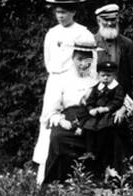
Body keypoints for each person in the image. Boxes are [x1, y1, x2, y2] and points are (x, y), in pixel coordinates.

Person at [32, 0, 89, 181]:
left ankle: (72, 175)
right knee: (49, 121)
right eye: (58, 12)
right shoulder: (51, 33)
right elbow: (49, 61)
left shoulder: (83, 33)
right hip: (56, 82)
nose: (61, 16)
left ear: (73, 12)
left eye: (64, 12)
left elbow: (90, 65)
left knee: (70, 127)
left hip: (76, 85)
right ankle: (45, 175)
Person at [39, 33, 101, 184]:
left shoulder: (98, 79)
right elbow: (52, 111)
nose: (83, 64)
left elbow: (119, 99)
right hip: (67, 119)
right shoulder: (62, 79)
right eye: (79, 59)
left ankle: (92, 183)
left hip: (91, 121)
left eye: (87, 60)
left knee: (102, 138)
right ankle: (57, 185)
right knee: (58, 138)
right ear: (73, 58)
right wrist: (61, 121)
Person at [80, 58, 128, 177]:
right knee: (89, 125)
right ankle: (90, 150)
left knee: (104, 127)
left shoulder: (117, 88)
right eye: (103, 75)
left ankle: (101, 152)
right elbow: (90, 100)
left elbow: (118, 101)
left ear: (114, 76)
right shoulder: (97, 87)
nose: (106, 78)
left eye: (109, 75)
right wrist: (91, 109)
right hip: (96, 113)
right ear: (98, 75)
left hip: (107, 112)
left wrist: (106, 108)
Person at [92, 3, 133, 117]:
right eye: (105, 20)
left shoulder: (127, 44)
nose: (109, 23)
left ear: (117, 19)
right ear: (98, 20)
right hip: (95, 102)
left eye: (113, 19)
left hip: (121, 102)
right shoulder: (90, 43)